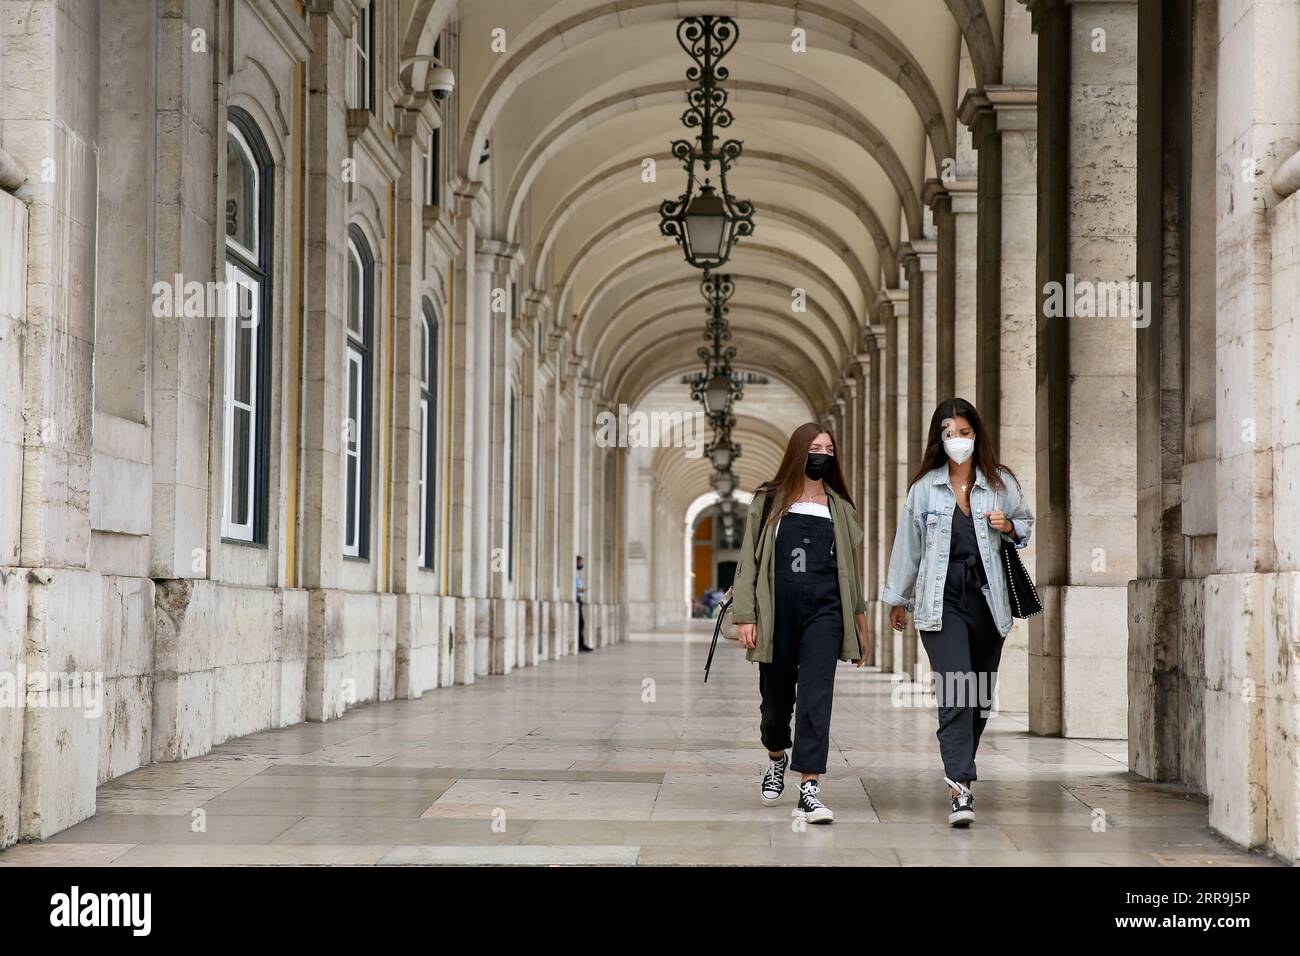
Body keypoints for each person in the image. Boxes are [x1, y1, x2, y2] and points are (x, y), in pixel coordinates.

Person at [882, 398, 1034, 827]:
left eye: (964, 433)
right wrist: (897, 597)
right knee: (956, 689)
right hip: (940, 601)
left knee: (980, 696)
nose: (958, 441)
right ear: (939, 439)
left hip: (988, 603)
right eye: (949, 434)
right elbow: (907, 546)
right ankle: (960, 786)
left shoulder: (1000, 483)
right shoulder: (925, 488)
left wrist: (1010, 526)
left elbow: (1025, 524)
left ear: (976, 435)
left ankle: (960, 765)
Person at [731, 422, 871, 824]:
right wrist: (746, 615)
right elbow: (748, 562)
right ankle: (777, 756)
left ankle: (809, 787)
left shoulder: (839, 507)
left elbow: (850, 573)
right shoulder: (769, 499)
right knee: (775, 707)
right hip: (776, 611)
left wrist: (860, 625)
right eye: (815, 446)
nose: (823, 453)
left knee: (816, 698)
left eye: (829, 447)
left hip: (824, 612)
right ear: (798, 451)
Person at [576, 555, 592, 652]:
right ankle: (580, 644)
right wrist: (582, 589)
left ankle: (581, 643)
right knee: (580, 623)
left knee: (581, 623)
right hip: (576, 599)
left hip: (579, 600)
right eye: (580, 562)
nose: (582, 564)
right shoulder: (574, 574)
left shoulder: (577, 574)